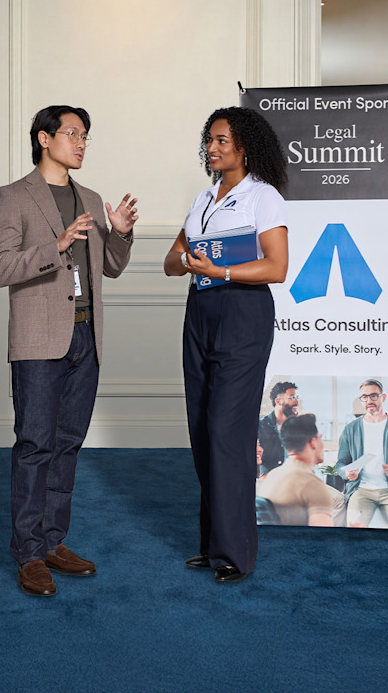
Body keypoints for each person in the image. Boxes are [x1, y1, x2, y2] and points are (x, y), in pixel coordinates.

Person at [0, 104, 137, 596]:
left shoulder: (90, 198)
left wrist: (120, 231)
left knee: (68, 443)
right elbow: (0, 267)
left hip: (85, 338)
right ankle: (28, 553)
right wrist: (55, 245)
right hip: (38, 342)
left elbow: (110, 267)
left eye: (86, 135)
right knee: (35, 446)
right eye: (73, 133)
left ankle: (53, 541)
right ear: (43, 138)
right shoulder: (12, 196)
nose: (82, 142)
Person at [164, 106, 289, 582]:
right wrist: (186, 261)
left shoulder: (264, 197)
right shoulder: (203, 198)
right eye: (210, 141)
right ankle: (212, 543)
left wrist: (221, 270)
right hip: (200, 314)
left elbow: (277, 267)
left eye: (221, 140)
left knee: (227, 432)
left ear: (244, 146)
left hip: (242, 313)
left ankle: (235, 552)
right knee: (201, 428)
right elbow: (171, 261)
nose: (212, 148)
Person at [335, 379, 388, 528]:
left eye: (373, 396)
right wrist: (346, 474)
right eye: (364, 397)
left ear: (383, 397)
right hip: (361, 491)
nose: (369, 401)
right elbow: (340, 464)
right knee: (354, 531)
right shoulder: (350, 429)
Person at [257, 414, 346, 527]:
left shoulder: (272, 476)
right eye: (321, 438)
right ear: (313, 442)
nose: (322, 444)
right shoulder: (312, 484)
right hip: (297, 543)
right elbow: (325, 539)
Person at [258, 381, 299, 475]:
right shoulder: (260, 427)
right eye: (292, 397)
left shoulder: (298, 428)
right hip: (269, 484)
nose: (296, 401)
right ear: (278, 401)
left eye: (297, 397)